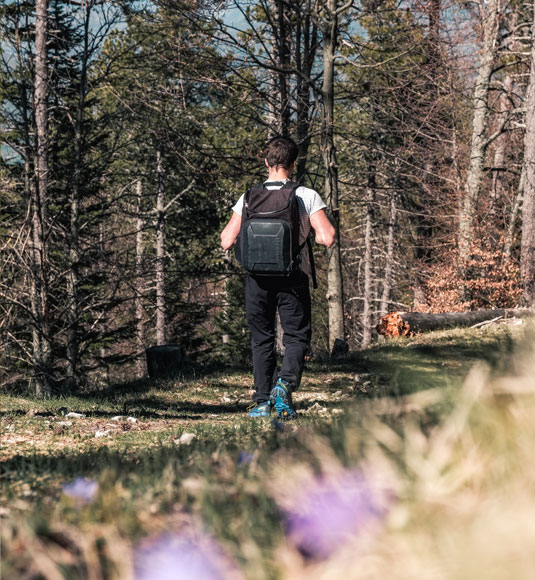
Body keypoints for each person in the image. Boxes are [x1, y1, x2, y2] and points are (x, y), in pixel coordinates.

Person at [221, 136, 335, 419]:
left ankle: (262, 402)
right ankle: (284, 385)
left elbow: (226, 240)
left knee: (262, 339)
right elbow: (327, 237)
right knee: (296, 336)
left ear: (266, 162)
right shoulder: (305, 195)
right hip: (292, 277)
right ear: (293, 164)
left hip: (256, 278)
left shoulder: (248, 197)